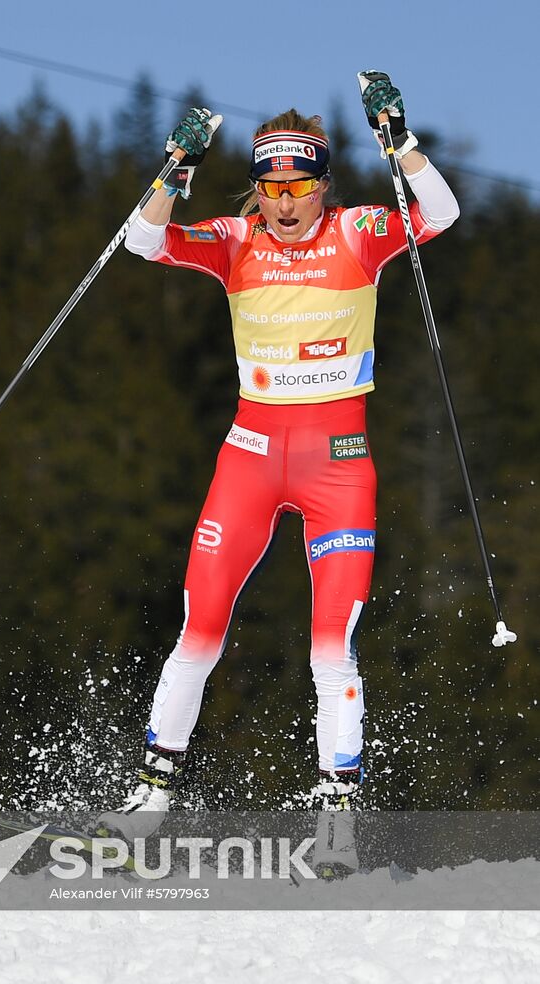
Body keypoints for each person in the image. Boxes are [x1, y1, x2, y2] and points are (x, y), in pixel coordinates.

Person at [99, 72, 459, 857]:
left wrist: (397, 141)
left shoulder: (359, 232)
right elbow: (143, 240)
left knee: (330, 645)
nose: (285, 202)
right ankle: (151, 797)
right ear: (255, 189)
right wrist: (175, 168)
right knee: (199, 629)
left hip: (338, 466)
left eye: (299, 186)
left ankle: (336, 819)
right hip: (250, 460)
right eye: (271, 187)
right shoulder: (235, 242)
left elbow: (440, 213)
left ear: (322, 187)